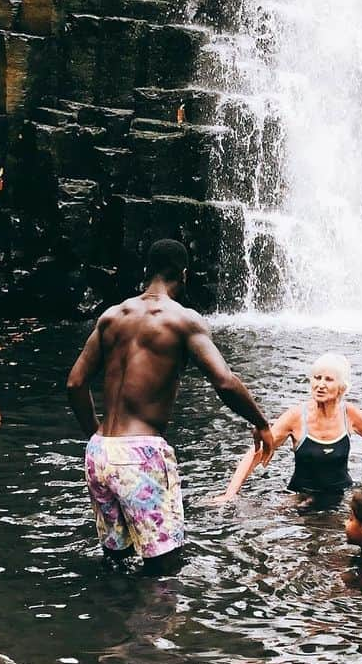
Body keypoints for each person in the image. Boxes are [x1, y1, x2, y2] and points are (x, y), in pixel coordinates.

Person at [66, 239, 274, 575]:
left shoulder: (111, 316)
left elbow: (75, 383)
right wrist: (262, 423)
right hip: (141, 453)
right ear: (185, 275)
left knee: (115, 560)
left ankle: (110, 622)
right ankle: (155, 628)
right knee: (163, 565)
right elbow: (224, 381)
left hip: (100, 452)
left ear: (147, 270)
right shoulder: (183, 320)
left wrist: (97, 436)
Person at [215, 352, 362, 507]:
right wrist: (230, 493)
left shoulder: (350, 415)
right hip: (301, 496)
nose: (320, 385)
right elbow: (257, 453)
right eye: (316, 378)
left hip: (340, 496)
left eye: (328, 380)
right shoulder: (295, 417)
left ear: (342, 387)